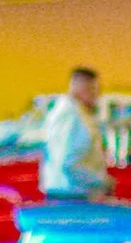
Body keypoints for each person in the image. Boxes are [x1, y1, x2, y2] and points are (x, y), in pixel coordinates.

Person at [39, 67, 110, 198]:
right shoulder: (71, 116)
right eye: (93, 90)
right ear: (80, 87)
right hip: (72, 193)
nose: (97, 96)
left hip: (69, 191)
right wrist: (101, 182)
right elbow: (69, 162)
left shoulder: (70, 112)